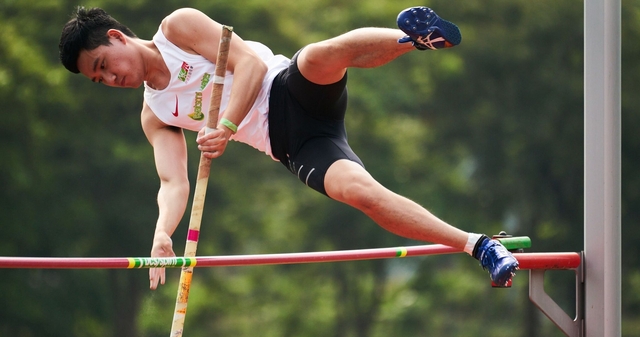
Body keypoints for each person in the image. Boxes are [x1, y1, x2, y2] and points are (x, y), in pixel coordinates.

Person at [58, 5, 519, 289]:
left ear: (117, 37)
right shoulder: (155, 112)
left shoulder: (178, 28)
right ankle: (480, 247)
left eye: (103, 64)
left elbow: (250, 65)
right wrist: (163, 232)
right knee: (359, 193)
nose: (110, 79)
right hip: (293, 142)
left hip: (287, 86)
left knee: (318, 56)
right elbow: (172, 180)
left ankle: (413, 38)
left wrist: (226, 123)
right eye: (99, 79)